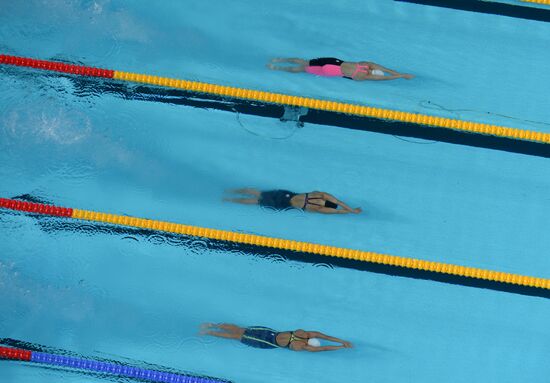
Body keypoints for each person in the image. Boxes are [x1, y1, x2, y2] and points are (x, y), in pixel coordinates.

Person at [200, 323, 352, 352]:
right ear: (312, 345)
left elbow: (323, 336)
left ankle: (212, 324)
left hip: (269, 332)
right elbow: (324, 348)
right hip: (266, 342)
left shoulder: (302, 333)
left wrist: (341, 341)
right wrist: (340, 347)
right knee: (237, 336)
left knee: (241, 329)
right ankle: (209, 332)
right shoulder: (302, 347)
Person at [224, 188, 361, 214]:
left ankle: (230, 191)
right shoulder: (319, 209)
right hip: (284, 204)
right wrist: (352, 212)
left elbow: (338, 202)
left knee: (257, 193)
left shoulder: (320, 194)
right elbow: (338, 210)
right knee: (257, 202)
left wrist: (351, 208)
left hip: (285, 195)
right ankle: (229, 199)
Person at [267, 57, 413, 81]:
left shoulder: (365, 64)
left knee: (305, 62)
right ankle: (277, 67)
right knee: (303, 69)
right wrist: (399, 77)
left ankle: (280, 60)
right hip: (332, 71)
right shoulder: (361, 77)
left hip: (334, 62)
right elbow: (384, 77)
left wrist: (400, 73)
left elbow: (385, 70)